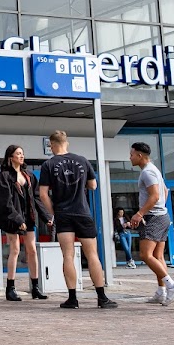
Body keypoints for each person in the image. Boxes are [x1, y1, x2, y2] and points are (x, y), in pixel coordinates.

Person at [38, 130, 117, 309]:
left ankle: (72, 298)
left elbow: (43, 194)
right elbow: (93, 185)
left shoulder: (48, 165)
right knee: (92, 255)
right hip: (83, 212)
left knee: (67, 255)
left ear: (51, 145)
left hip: (63, 214)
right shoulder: (82, 160)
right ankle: (102, 297)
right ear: (67, 143)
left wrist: (54, 213)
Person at [0, 145, 52, 301]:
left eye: (22, 153)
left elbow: (36, 198)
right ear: (10, 157)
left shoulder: (29, 175)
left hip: (29, 216)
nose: (21, 156)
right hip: (11, 216)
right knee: (15, 249)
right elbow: (5, 201)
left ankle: (35, 287)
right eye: (18, 153)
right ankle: (10, 288)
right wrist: (18, 219)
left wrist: (47, 217)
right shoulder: (4, 176)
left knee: (32, 250)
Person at [129, 142, 174, 305]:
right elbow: (164, 191)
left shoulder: (148, 172)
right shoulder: (154, 170)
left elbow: (154, 196)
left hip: (153, 218)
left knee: (146, 255)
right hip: (161, 216)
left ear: (140, 155)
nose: (129, 158)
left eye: (131, 154)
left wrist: (140, 214)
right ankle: (161, 292)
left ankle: (172, 286)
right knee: (158, 256)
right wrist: (160, 208)